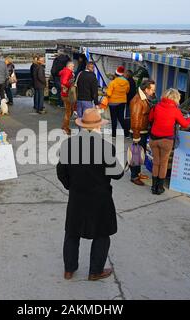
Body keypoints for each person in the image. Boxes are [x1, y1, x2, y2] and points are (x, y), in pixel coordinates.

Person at [57, 108, 124, 281]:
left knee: (72, 233)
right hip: (100, 198)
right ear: (98, 127)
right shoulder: (106, 147)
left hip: (77, 196)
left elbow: (61, 172)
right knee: (102, 234)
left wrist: (71, 186)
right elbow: (117, 174)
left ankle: (69, 270)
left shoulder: (68, 145)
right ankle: (95, 271)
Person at [149, 88, 190, 195]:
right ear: (176, 98)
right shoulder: (175, 110)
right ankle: (160, 188)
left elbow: (150, 119)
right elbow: (185, 124)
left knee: (156, 162)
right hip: (166, 140)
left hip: (154, 138)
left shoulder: (156, 106)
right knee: (163, 164)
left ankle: (153, 187)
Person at [129, 80, 156, 186]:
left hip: (141, 131)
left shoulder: (143, 98)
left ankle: (138, 173)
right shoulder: (138, 101)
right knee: (136, 155)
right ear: (146, 90)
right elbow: (135, 120)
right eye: (152, 90)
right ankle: (134, 176)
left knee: (140, 154)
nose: (153, 92)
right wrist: (136, 137)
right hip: (138, 132)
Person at [106, 66, 130, 138]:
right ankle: (126, 134)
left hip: (113, 103)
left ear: (116, 74)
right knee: (121, 118)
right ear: (122, 74)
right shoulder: (126, 82)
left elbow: (109, 94)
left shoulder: (112, 82)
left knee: (114, 118)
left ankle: (114, 135)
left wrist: (106, 93)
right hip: (122, 102)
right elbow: (127, 91)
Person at [59, 61, 75, 135]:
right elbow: (64, 82)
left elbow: (62, 80)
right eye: (72, 66)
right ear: (69, 66)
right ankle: (66, 128)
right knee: (68, 112)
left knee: (69, 111)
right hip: (67, 94)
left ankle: (64, 126)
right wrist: (71, 84)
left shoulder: (64, 71)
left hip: (64, 94)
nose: (73, 68)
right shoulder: (68, 72)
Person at [124, 70, 137, 137]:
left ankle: (127, 133)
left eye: (125, 73)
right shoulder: (132, 81)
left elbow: (128, 92)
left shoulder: (128, 82)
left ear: (128, 75)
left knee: (128, 117)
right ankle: (128, 132)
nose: (124, 74)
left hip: (129, 102)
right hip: (131, 101)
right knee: (129, 117)